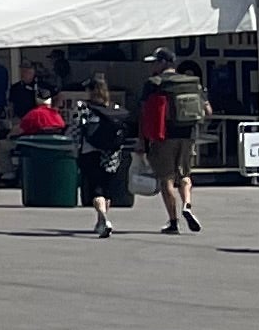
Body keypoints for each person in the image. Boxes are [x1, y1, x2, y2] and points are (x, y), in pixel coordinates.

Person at [143, 57, 211, 234]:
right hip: (188, 136)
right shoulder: (192, 83)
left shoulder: (154, 83)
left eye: (155, 62)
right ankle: (187, 204)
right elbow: (208, 110)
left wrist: (141, 140)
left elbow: (144, 113)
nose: (152, 66)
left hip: (164, 136)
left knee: (167, 179)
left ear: (165, 63)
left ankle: (173, 221)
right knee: (185, 174)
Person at [73, 84, 136, 241]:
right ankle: (101, 220)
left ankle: (103, 218)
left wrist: (74, 149)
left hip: (90, 153)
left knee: (96, 190)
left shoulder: (84, 108)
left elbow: (76, 129)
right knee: (105, 189)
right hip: (111, 154)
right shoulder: (115, 109)